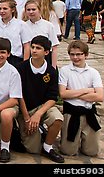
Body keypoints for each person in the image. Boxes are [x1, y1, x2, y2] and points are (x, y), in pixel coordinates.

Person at [16, 35, 65, 163]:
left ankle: (48, 147)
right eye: (32, 47)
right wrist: (27, 117)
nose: (34, 50)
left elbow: (52, 97)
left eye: (38, 48)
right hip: (26, 109)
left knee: (58, 118)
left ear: (46, 52)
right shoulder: (21, 68)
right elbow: (18, 95)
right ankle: (36, 133)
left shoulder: (51, 71)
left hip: (42, 108)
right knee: (32, 149)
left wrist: (38, 114)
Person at [58, 40, 104, 157]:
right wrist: (87, 90)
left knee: (92, 152)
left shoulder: (93, 73)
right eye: (72, 54)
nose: (75, 57)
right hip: (71, 113)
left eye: (79, 54)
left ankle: (86, 142)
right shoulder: (65, 71)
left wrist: (72, 93)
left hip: (89, 113)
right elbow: (63, 94)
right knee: (68, 151)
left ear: (86, 55)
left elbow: (99, 96)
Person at [0, 0, 32, 67]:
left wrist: (25, 64)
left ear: (12, 10)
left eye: (5, 9)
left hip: (15, 59)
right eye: (0, 8)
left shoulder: (21, 25)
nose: (1, 11)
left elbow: (26, 46)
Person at [22, 0, 60, 69]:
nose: (31, 12)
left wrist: (53, 66)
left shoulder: (48, 25)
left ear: (39, 10)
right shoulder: (23, 26)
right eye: (28, 10)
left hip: (45, 58)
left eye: (33, 9)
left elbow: (54, 47)